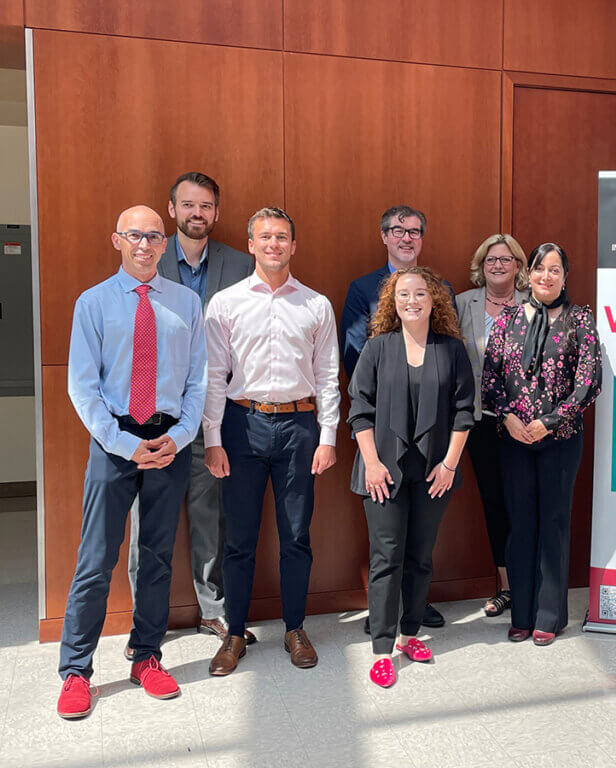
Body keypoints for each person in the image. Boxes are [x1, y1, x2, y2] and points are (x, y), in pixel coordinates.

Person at [58, 206, 206, 719]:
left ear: (165, 245)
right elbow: (84, 385)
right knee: (96, 557)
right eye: (134, 235)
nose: (144, 244)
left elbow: (198, 382)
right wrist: (122, 442)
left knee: (158, 556)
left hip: (169, 443)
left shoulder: (187, 303)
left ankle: (146, 657)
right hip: (114, 440)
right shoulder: (93, 303)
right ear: (117, 240)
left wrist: (182, 435)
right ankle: (76, 670)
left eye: (154, 237)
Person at [203, 207, 340, 676]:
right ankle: (235, 634)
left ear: (294, 245)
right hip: (242, 426)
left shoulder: (316, 305)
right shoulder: (225, 303)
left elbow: (327, 377)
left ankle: (295, 628)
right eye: (265, 237)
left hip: (299, 429)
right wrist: (214, 439)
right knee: (238, 540)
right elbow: (214, 377)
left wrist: (327, 436)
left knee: (296, 537)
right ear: (251, 244)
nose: (274, 244)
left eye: (282, 237)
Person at [124, 172, 255, 660]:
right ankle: (145, 624)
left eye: (206, 206)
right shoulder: (147, 260)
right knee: (148, 522)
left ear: (216, 213)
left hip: (213, 414)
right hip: (153, 418)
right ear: (172, 210)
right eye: (188, 205)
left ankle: (212, 607)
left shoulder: (241, 264)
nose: (197, 213)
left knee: (211, 517)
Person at [348, 267, 475, 688]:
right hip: (383, 471)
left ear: (433, 299)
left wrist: (451, 464)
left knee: (421, 557)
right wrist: (372, 463)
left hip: (435, 472)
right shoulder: (377, 348)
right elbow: (359, 410)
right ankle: (383, 649)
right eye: (403, 294)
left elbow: (463, 410)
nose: (412, 301)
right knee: (387, 558)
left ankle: (410, 634)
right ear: (392, 301)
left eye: (420, 293)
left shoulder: (451, 349)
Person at [481, 242, 602, 646]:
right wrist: (511, 418)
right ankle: (522, 613)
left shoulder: (580, 320)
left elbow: (589, 383)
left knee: (553, 524)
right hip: (513, 439)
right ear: (527, 273)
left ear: (565, 276)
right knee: (520, 525)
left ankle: (549, 614)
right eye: (539, 268)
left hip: (560, 440)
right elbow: (490, 380)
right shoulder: (507, 320)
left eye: (555, 270)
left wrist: (548, 422)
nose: (546, 277)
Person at [339, 205, 448, 630]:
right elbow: (353, 354)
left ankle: (414, 605)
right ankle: (385, 609)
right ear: (383, 236)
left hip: (430, 431)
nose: (407, 238)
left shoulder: (440, 288)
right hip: (382, 426)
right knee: (387, 532)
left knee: (421, 531)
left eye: (415, 231)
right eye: (398, 231)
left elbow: (447, 350)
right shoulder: (362, 288)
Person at [455, 234, 530, 617]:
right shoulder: (463, 303)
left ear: (518, 265)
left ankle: (529, 583)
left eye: (505, 259)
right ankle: (506, 586)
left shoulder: (533, 306)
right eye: (490, 260)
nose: (497, 265)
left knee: (524, 502)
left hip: (524, 423)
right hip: (481, 421)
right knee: (494, 503)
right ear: (481, 265)